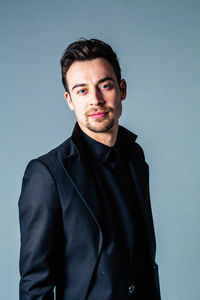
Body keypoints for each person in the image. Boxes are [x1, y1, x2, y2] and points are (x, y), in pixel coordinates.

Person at [18, 38, 161, 300]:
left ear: (122, 89)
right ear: (70, 100)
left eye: (104, 86)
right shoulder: (46, 174)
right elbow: (35, 286)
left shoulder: (135, 157)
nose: (95, 100)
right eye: (81, 91)